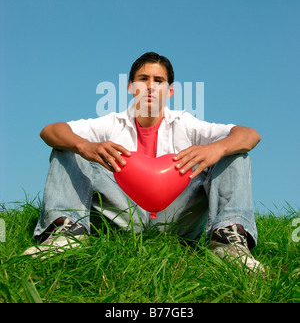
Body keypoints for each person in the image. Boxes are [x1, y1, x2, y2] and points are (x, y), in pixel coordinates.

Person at [22, 52, 264, 272]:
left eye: (159, 81)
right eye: (143, 79)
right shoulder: (111, 123)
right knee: (69, 146)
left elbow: (250, 135)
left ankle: (229, 243)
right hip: (123, 217)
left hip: (179, 219)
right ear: (130, 86)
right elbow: (50, 130)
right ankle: (64, 235)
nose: (150, 86)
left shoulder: (186, 123)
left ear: (169, 91)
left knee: (234, 151)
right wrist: (86, 146)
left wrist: (216, 148)